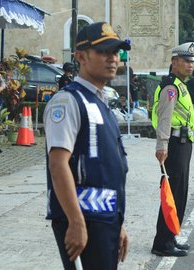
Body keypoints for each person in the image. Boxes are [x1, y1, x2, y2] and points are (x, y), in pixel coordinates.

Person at [44, 22, 131, 270]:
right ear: (80, 57)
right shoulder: (68, 101)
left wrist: (117, 222)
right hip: (83, 220)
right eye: (104, 52)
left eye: (116, 52)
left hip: (104, 218)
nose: (113, 58)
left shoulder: (99, 102)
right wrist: (75, 221)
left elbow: (106, 168)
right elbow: (58, 163)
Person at [151, 42, 194, 257]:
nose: (190, 65)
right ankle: (162, 244)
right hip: (173, 146)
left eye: (192, 61)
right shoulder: (171, 87)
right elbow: (165, 118)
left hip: (183, 144)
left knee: (179, 195)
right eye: (186, 61)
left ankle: (170, 237)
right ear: (174, 62)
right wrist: (162, 145)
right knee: (171, 194)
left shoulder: (180, 85)